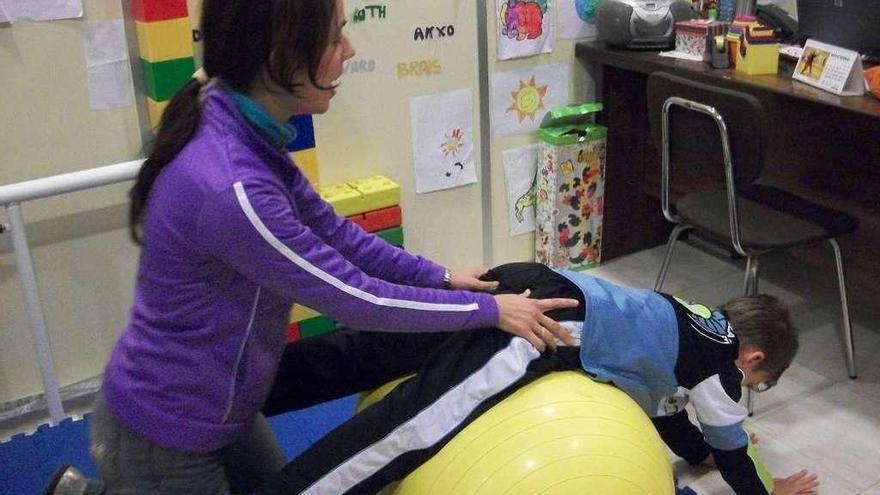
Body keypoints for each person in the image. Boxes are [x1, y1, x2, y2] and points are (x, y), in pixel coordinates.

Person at [46, 1, 578, 493]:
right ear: (279, 58)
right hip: (165, 435)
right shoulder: (233, 187)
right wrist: (487, 310)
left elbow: (335, 234)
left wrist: (439, 277)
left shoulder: (240, 119)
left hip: (226, 407)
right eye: (334, 38)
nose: (349, 52)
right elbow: (358, 299)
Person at [252, 262, 820, 495]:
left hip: (528, 279)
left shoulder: (691, 321)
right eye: (758, 385)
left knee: (375, 352)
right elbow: (735, 449)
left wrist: (695, 452)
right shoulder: (722, 371)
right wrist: (765, 489)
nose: (745, 393)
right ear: (753, 360)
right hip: (548, 325)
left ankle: (250, 388)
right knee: (413, 425)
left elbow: (668, 407)